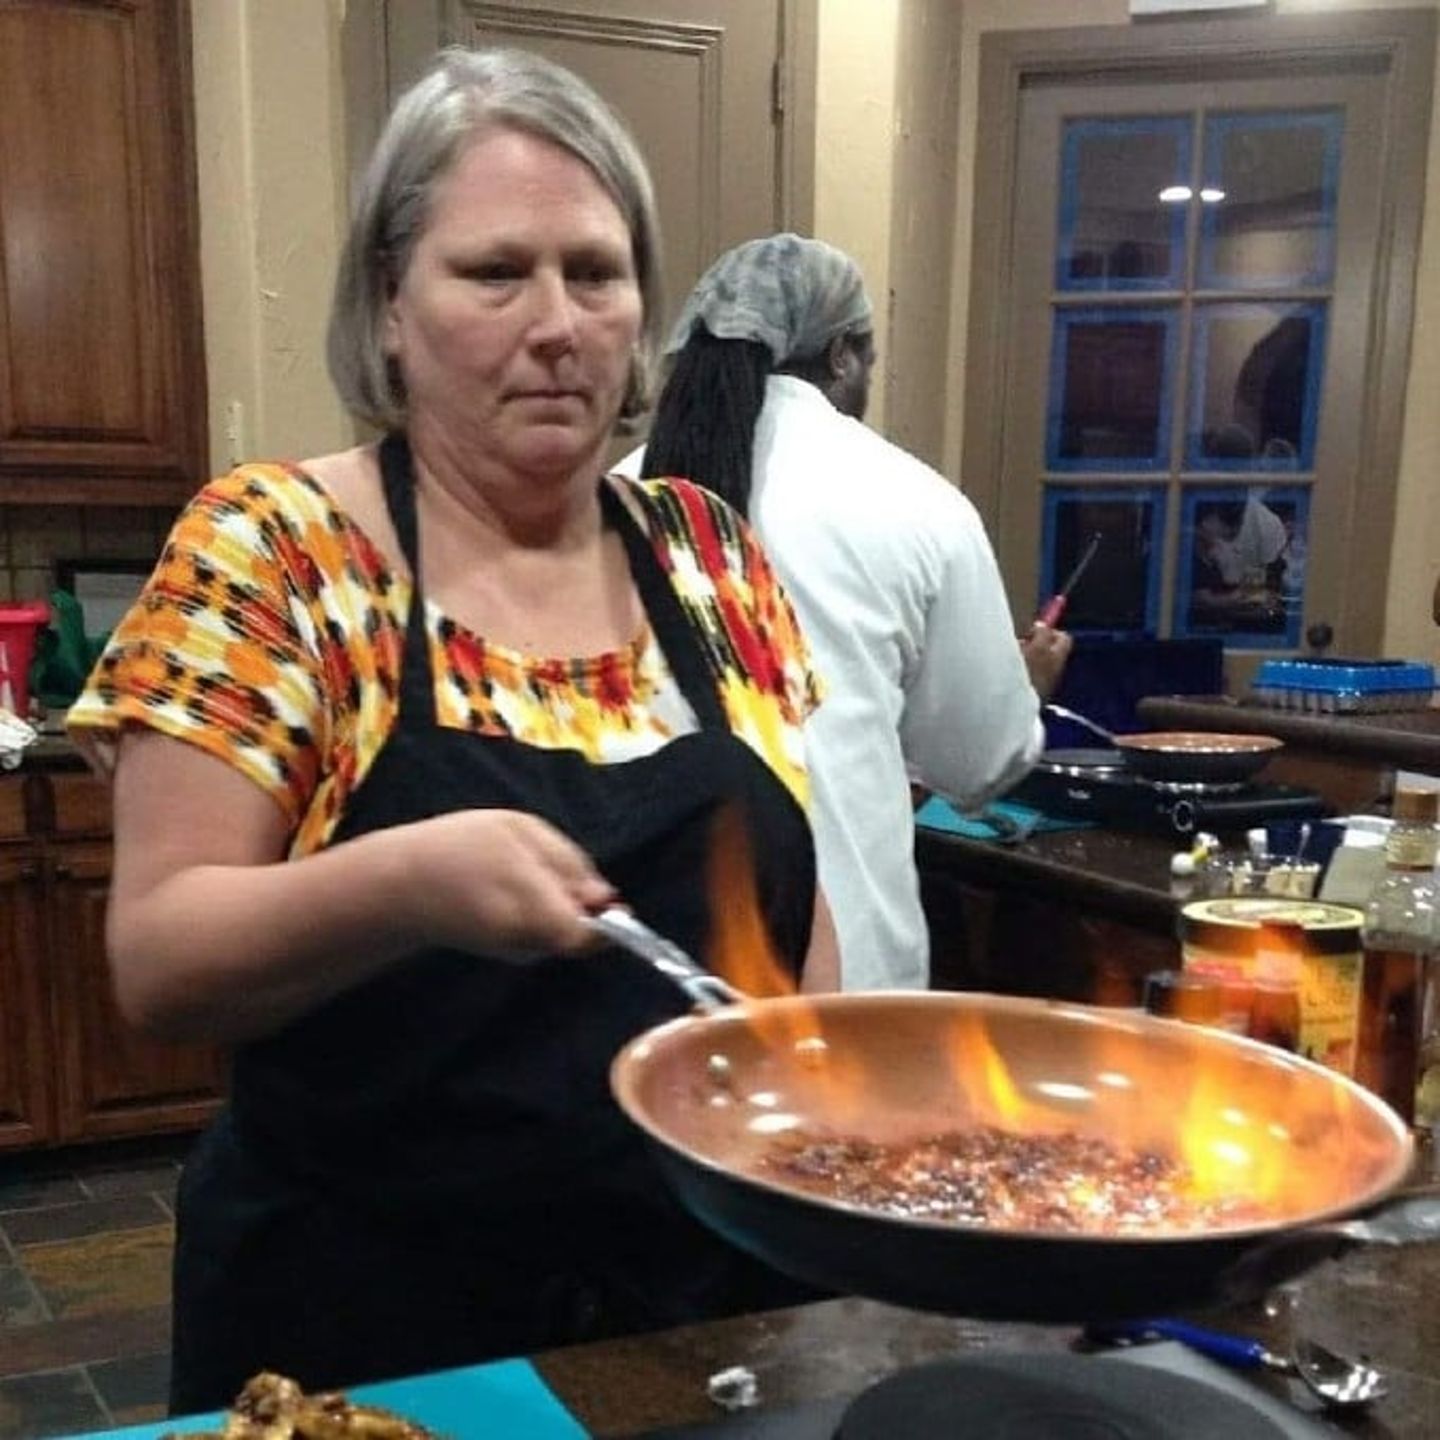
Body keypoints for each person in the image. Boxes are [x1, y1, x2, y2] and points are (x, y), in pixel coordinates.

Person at [67, 50, 838, 1413]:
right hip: (369, 1328)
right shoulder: (276, 551)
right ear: (389, 305)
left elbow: (791, 940)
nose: (560, 324)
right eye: (496, 273)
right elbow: (161, 961)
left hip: (702, 1310)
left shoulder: (709, 554)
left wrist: (844, 1139)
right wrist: (407, 881)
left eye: (596, 274)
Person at [617, 234, 1070, 992]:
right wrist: (1026, 690)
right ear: (841, 358)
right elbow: (980, 765)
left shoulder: (620, 495)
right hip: (851, 984)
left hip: (649, 974)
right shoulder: (916, 503)